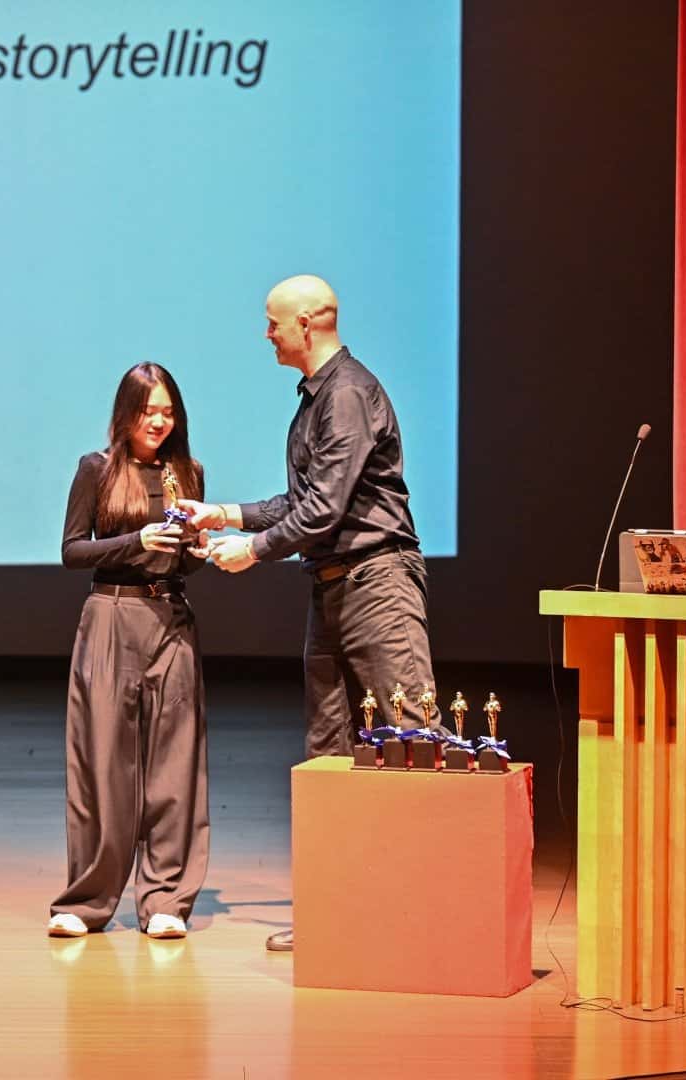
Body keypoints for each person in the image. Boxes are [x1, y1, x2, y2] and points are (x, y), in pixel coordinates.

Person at [179, 275, 435, 952]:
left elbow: (323, 509)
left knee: (411, 740)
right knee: (329, 749)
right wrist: (224, 514)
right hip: (334, 586)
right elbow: (303, 499)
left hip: (376, 584)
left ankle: (426, 914)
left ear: (308, 322)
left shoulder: (346, 393)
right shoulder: (317, 398)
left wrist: (253, 551)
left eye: (273, 323)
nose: (266, 334)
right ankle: (336, 912)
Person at [47, 363, 211, 941]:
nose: (159, 422)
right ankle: (88, 901)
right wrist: (134, 540)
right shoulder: (97, 469)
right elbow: (72, 551)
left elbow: (184, 561)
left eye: (168, 412)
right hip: (111, 617)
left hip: (171, 619)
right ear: (125, 414)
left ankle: (166, 899)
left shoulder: (187, 472)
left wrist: (198, 548)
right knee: (103, 761)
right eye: (148, 411)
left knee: (175, 763)